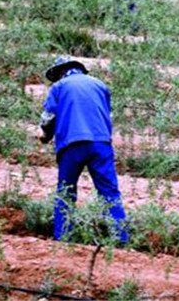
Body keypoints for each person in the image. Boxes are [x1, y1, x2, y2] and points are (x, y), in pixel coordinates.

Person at [40, 56, 129, 243]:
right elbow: (107, 113)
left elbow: (48, 118)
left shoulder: (58, 87)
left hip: (71, 144)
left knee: (66, 192)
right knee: (110, 192)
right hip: (101, 143)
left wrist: (46, 136)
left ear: (60, 72)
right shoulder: (100, 85)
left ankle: (63, 237)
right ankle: (121, 238)